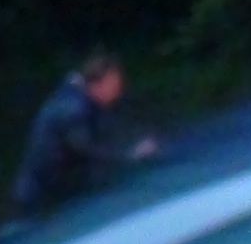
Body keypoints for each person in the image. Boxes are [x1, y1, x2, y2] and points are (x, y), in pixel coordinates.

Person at [13, 49, 156, 218]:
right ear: (100, 83)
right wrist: (131, 155)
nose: (118, 92)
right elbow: (87, 150)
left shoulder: (76, 100)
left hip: (54, 194)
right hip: (45, 203)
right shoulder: (73, 110)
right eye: (115, 85)